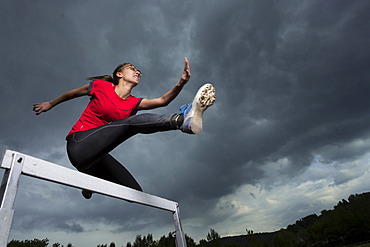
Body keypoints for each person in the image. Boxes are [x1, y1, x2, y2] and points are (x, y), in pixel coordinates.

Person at [33, 58, 215, 199]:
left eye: (139, 71)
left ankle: (91, 180)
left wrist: (181, 82)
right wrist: (51, 103)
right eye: (132, 68)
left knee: (134, 193)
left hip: (96, 157)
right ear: (119, 74)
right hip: (78, 144)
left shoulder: (133, 103)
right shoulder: (101, 86)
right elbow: (72, 94)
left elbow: (162, 101)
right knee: (131, 123)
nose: (137, 71)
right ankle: (181, 121)